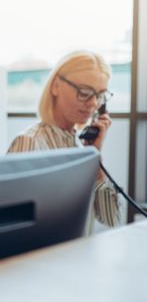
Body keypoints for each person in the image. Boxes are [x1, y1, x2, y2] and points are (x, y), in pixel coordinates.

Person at [7, 50, 120, 233]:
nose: (93, 104)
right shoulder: (29, 143)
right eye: (84, 92)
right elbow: (12, 223)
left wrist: (96, 158)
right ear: (56, 86)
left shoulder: (82, 145)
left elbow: (112, 218)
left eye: (100, 95)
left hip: (77, 257)